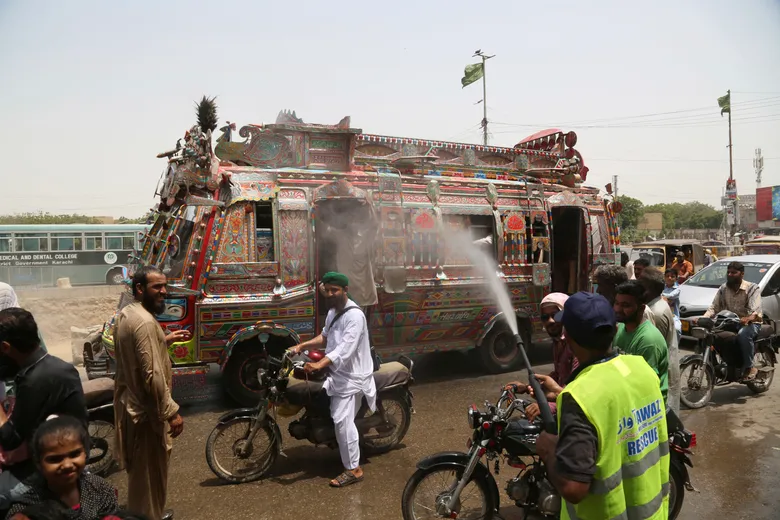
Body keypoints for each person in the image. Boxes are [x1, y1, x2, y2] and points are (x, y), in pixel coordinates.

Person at [531, 292, 669, 520]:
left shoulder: (579, 396)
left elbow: (574, 489)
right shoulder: (642, 369)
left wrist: (548, 450)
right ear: (614, 330)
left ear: (569, 337)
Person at [289, 272, 377, 488]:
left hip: (353, 377)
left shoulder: (355, 316)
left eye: (334, 290)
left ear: (345, 290)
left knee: (342, 421)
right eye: (327, 290)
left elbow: (346, 348)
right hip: (337, 373)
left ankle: (354, 469)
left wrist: (319, 364)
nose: (330, 294)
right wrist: (301, 346)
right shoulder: (333, 312)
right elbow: (325, 337)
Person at [113, 266, 186, 520]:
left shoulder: (128, 313)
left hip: (132, 409)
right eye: (157, 287)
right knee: (149, 476)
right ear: (140, 289)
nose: (164, 292)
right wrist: (171, 412)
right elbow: (151, 375)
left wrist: (164, 340)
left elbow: (134, 353)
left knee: (142, 474)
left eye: (165, 286)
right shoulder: (144, 322)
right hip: (145, 414)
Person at [0, 309, 87, 510]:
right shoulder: (51, 366)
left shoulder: (34, 380)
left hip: (47, 467)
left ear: (5, 347)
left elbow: (11, 439)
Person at [5, 415, 118, 519]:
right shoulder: (26, 508)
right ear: (39, 463)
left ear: (85, 453)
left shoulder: (100, 489)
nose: (67, 465)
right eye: (55, 459)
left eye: (74, 454)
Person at [504, 293, 578, 421]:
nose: (550, 321)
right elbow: (559, 375)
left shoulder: (577, 346)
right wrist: (527, 387)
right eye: (545, 317)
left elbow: (576, 395)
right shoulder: (558, 343)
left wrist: (548, 407)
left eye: (555, 315)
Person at [698, 261, 762, 381]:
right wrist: (704, 318)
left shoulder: (752, 288)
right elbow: (714, 307)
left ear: (742, 274)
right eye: (728, 272)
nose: (730, 275)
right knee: (708, 334)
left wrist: (748, 318)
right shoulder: (723, 288)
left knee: (743, 334)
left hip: (751, 323)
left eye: (733, 272)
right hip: (730, 322)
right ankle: (715, 365)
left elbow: (756, 311)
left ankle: (749, 367)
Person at [612, 281, 669, 404]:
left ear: (641, 308)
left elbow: (646, 385)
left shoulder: (648, 339)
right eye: (616, 303)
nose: (618, 309)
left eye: (625, 305)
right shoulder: (620, 328)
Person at [640, 268, 681, 413]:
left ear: (648, 289)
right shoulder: (655, 305)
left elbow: (655, 350)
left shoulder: (655, 312)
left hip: (663, 373)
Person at [662, 268, 682, 337]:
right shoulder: (661, 287)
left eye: (672, 276)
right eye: (667, 276)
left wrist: (661, 296)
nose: (669, 278)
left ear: (676, 278)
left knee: (677, 329)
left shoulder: (677, 289)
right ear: (664, 277)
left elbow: (671, 295)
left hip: (673, 315)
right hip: (661, 313)